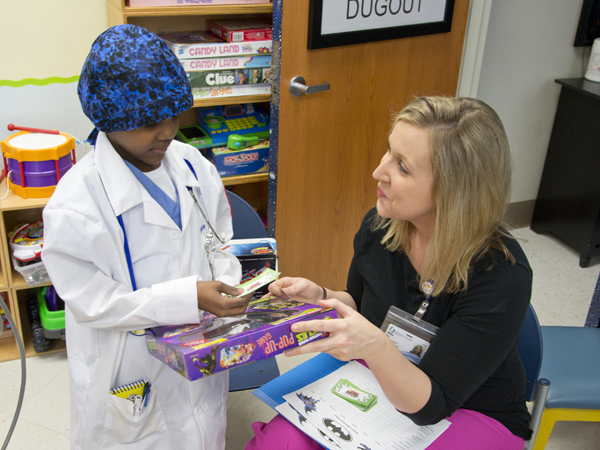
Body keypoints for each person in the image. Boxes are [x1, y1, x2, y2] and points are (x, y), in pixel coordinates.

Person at [247, 97, 532, 450]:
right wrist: (323, 297)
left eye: (403, 167)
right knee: (280, 444)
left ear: (454, 190)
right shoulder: (381, 225)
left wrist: (375, 346)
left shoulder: (501, 275)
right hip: (379, 375)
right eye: (388, 151)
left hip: (467, 405)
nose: (378, 172)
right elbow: (364, 304)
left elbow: (432, 405)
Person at [41, 24, 252, 450]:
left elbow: (220, 239)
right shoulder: (76, 205)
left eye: (175, 114)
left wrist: (232, 282)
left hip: (200, 349)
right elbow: (92, 302)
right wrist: (185, 297)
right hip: (128, 369)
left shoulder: (194, 167)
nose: (167, 131)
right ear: (108, 118)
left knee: (204, 429)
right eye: (148, 122)